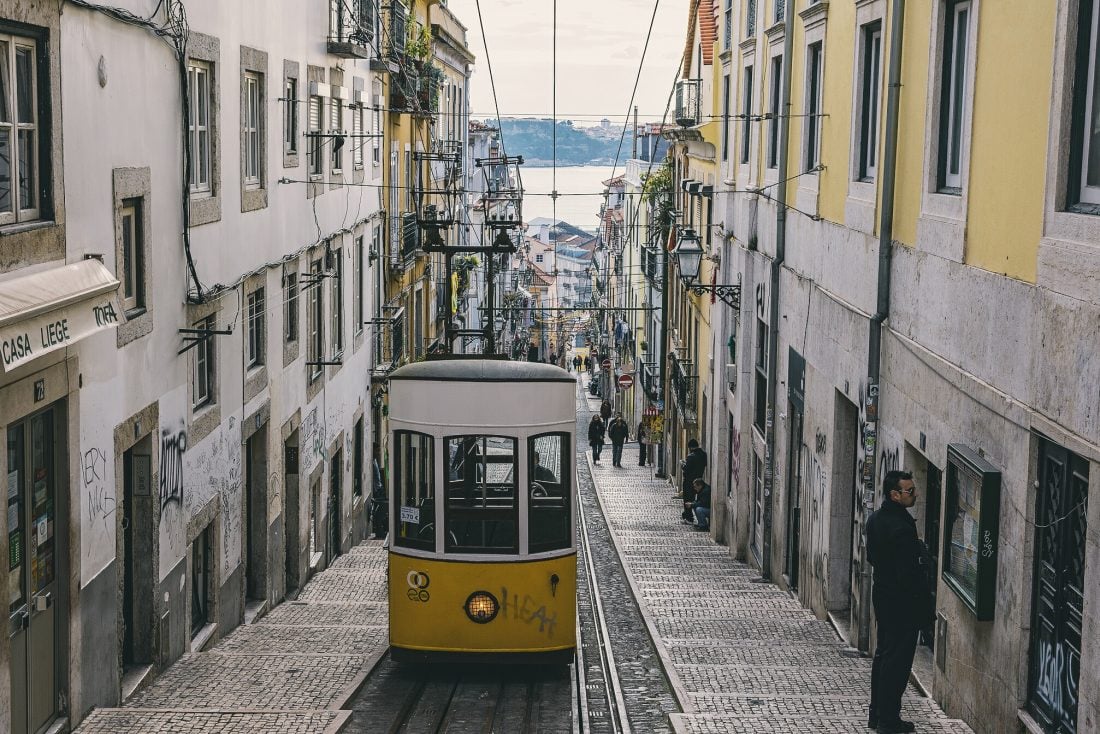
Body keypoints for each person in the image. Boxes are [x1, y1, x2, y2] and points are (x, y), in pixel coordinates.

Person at [865, 470, 933, 734]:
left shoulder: (875, 520)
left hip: (883, 595)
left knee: (884, 656)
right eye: (910, 491)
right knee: (898, 663)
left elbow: (872, 558)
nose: (915, 494)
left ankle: (877, 715)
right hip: (902, 603)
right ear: (895, 495)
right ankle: (889, 721)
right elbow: (908, 574)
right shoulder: (901, 527)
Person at [679, 438, 707, 521]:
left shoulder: (691, 456)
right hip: (699, 481)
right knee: (695, 498)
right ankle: (687, 514)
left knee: (687, 498)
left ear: (690, 447)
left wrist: (682, 465)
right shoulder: (703, 454)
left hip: (688, 481)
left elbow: (686, 469)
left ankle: (688, 516)